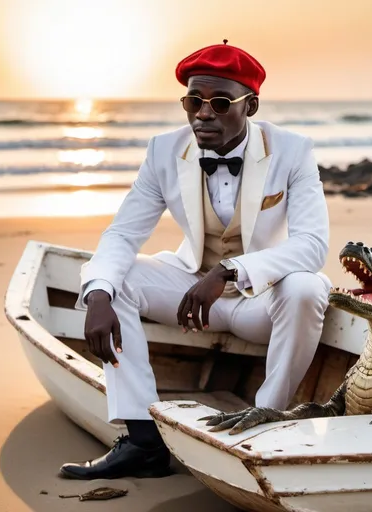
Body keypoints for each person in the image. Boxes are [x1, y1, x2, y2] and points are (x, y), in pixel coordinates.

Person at [59, 40, 331, 480]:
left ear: (251, 105)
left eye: (220, 102)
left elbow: (312, 245)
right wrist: (98, 294)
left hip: (259, 301)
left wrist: (231, 270)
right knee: (111, 278)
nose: (203, 113)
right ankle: (144, 441)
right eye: (193, 100)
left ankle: (264, 420)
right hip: (190, 292)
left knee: (307, 286)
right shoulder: (163, 151)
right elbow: (123, 233)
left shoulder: (293, 150)